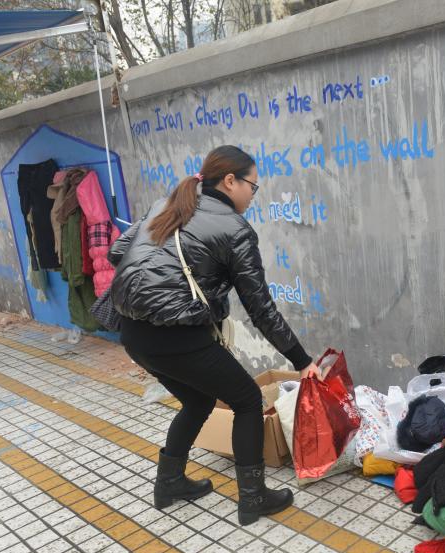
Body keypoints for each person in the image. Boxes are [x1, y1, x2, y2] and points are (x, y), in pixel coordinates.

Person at [108, 145, 320, 525]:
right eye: (253, 187)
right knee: (247, 399)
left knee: (198, 400)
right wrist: (302, 361)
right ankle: (253, 498)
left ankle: (169, 483)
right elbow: (261, 308)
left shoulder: (165, 205)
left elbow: (118, 251)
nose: (253, 196)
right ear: (230, 181)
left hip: (132, 332)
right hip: (176, 336)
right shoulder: (234, 229)